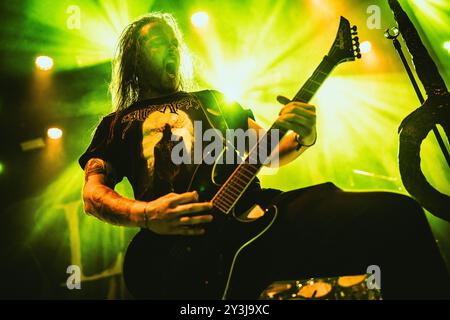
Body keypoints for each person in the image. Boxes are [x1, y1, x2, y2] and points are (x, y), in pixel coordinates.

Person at [79, 12, 449, 299]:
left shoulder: (214, 102)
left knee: (397, 217)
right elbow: (93, 194)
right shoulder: (116, 125)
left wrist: (304, 136)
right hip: (177, 250)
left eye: (175, 44)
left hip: (258, 217)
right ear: (136, 56)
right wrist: (144, 214)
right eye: (160, 44)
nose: (173, 49)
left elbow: (271, 153)